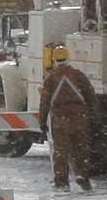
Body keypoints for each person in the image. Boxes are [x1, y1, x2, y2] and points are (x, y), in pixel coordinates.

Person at [42, 60, 98, 191]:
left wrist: (42, 121)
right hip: (80, 118)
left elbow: (44, 102)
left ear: (54, 60)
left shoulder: (51, 78)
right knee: (81, 148)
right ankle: (82, 175)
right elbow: (91, 96)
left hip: (60, 119)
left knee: (61, 152)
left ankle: (62, 182)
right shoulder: (78, 75)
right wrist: (95, 116)